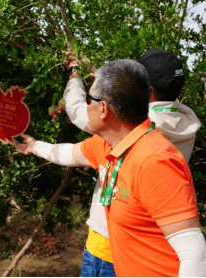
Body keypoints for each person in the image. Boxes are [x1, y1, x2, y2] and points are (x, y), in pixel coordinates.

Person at [15, 59, 206, 276]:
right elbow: (68, 153)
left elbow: (195, 253)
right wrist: (34, 146)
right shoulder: (107, 145)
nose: (86, 107)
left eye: (89, 100)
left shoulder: (155, 161)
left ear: (103, 108)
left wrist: (75, 74)